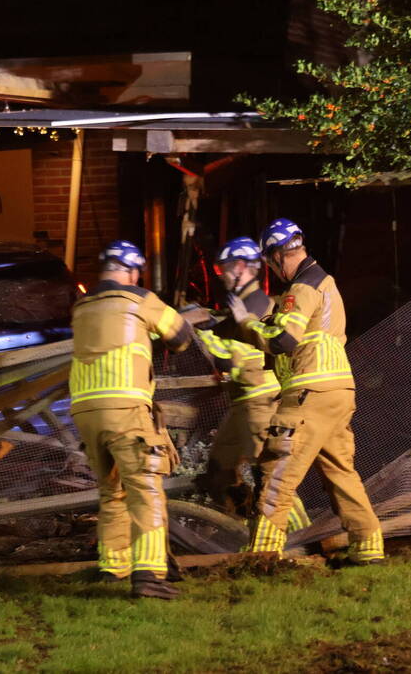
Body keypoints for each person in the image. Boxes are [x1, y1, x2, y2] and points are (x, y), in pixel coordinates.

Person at [227, 219, 384, 565]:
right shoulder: (323, 282)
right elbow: (290, 325)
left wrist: (247, 325)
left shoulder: (304, 287)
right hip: (338, 391)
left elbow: (283, 341)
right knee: (341, 472)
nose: (272, 269)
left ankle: (262, 554)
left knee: (277, 471)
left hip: (309, 393)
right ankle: (368, 544)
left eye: (271, 262)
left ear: (278, 256)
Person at [69, 240, 193, 599]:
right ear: (132, 271)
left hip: (85, 412)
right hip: (125, 408)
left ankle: (113, 567)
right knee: (145, 488)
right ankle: (150, 575)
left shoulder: (82, 306)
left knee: (112, 491)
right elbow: (181, 337)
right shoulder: (139, 299)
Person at [193, 237, 310, 532]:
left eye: (223, 270)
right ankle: (245, 530)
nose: (221, 276)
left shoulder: (256, 306)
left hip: (261, 402)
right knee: (219, 471)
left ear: (241, 266)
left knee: (271, 477)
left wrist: (198, 332)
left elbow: (232, 360)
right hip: (242, 403)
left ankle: (304, 539)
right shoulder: (241, 305)